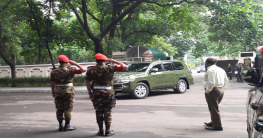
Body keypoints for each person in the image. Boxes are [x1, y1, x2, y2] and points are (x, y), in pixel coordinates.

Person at [85, 53, 127, 136]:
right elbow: (125, 66)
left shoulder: (91, 70)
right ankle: (107, 131)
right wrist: (112, 61)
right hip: (108, 92)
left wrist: (90, 92)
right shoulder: (110, 68)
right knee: (107, 111)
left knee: (99, 111)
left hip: (96, 93)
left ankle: (100, 130)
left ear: (96, 60)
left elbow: (87, 82)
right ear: (105, 61)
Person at [50, 55, 87, 131]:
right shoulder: (71, 70)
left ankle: (60, 125)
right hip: (68, 91)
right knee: (68, 108)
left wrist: (53, 91)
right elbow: (84, 70)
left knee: (59, 109)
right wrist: (75, 63)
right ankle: (67, 125)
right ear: (66, 63)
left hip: (58, 91)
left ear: (59, 62)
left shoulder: (54, 71)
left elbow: (52, 83)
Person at [203, 58, 228, 131]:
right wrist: (222, 87)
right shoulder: (220, 69)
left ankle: (217, 126)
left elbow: (211, 83)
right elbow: (226, 80)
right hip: (220, 89)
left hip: (213, 90)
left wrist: (207, 91)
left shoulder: (210, 70)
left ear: (207, 63)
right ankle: (213, 122)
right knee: (213, 107)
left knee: (214, 108)